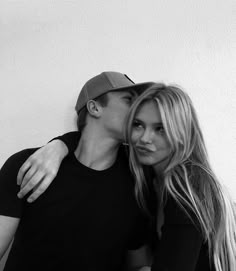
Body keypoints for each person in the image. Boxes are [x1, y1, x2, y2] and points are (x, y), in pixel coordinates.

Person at [16, 83, 236, 271]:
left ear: (182, 133)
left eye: (161, 128)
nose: (145, 139)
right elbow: (92, 145)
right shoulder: (148, 175)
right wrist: (59, 146)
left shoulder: (188, 186)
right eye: (138, 125)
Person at [0, 71, 154, 271]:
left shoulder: (139, 181)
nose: (139, 110)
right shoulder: (28, 165)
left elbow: (138, 264)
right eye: (128, 100)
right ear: (94, 107)